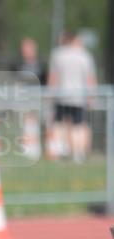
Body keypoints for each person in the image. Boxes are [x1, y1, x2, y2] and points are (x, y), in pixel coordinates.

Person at [47, 30, 97, 162]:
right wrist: (91, 96)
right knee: (78, 126)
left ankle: (59, 151)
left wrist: (50, 95)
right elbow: (90, 78)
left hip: (61, 95)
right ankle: (77, 154)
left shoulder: (58, 54)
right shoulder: (84, 56)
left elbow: (53, 77)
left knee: (59, 124)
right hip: (78, 97)